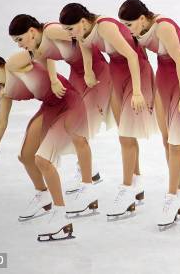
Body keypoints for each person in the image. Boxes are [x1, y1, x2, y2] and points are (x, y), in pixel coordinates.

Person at [118, 0, 180, 229]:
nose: (127, 29)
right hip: (162, 78)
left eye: (129, 24)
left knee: (175, 142)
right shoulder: (140, 30)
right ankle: (177, 195)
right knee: (165, 139)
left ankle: (171, 197)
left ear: (142, 18)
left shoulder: (163, 27)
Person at [0, 52, 89, 241]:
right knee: (26, 156)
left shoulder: (13, 64)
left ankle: (62, 219)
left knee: (42, 160)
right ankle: (43, 196)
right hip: (50, 106)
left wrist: (53, 79)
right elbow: (1, 121)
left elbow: (43, 50)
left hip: (68, 101)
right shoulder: (3, 90)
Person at [59, 3, 156, 218]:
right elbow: (84, 45)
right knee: (125, 131)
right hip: (117, 74)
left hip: (136, 72)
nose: (68, 34)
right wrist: (87, 71)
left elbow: (131, 55)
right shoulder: (84, 31)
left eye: (70, 29)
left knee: (125, 136)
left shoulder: (104, 27)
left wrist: (138, 91)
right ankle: (137, 181)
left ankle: (127, 187)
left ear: (83, 22)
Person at [8, 14, 111, 201]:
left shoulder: (51, 30)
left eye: (19, 39)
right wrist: (53, 80)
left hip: (95, 71)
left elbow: (81, 39)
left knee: (80, 128)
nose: (19, 44)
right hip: (78, 74)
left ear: (32, 31)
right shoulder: (39, 42)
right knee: (75, 125)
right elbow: (45, 55)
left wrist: (88, 71)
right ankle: (89, 171)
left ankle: (90, 184)